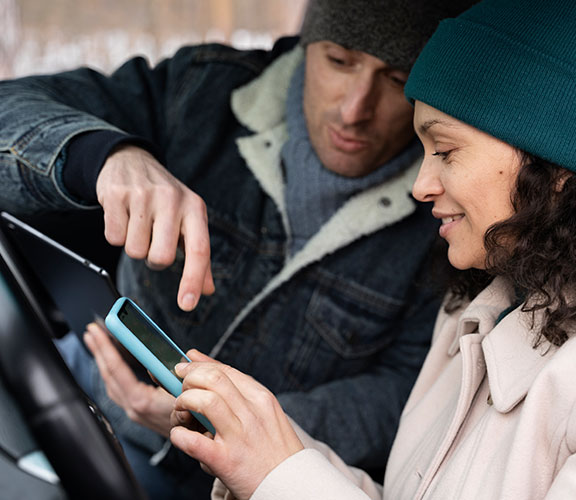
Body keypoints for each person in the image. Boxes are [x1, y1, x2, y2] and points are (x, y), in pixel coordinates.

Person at [159, 0, 576, 498]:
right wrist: (262, 443)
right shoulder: (477, 310)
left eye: (444, 149)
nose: (421, 186)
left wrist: (281, 476)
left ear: (555, 165)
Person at [0, 1, 478, 497]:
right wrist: (104, 155)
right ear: (307, 44)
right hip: (84, 395)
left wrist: (225, 419)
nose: (354, 109)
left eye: (397, 79)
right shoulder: (200, 91)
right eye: (339, 61)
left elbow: (405, 394)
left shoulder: (447, 216)